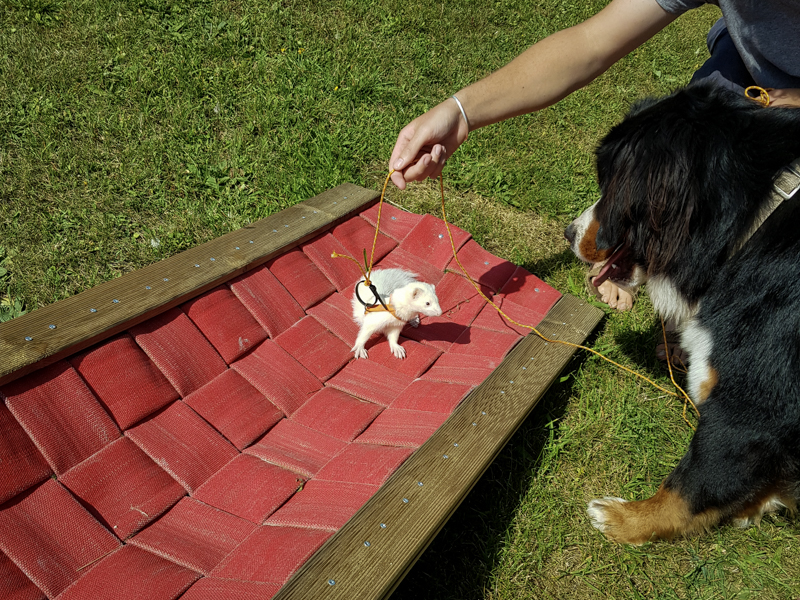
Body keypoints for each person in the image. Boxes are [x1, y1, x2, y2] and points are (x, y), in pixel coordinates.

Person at [389, 0, 800, 320]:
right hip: (751, 73)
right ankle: (643, 256)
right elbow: (591, 43)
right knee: (675, 146)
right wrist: (460, 113)